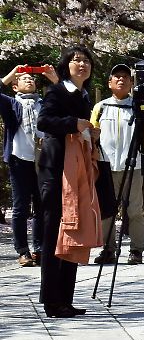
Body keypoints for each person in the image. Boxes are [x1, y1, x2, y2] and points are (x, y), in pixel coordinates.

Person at [37, 46, 99, 318]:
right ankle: (52, 299)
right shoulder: (57, 91)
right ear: (66, 66)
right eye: (76, 60)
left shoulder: (83, 95)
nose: (82, 64)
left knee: (73, 230)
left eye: (86, 60)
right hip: (57, 170)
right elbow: (44, 121)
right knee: (55, 232)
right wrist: (75, 123)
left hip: (77, 170)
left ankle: (66, 298)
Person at [91, 64, 144, 265]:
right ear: (109, 83)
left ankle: (136, 250)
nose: (121, 80)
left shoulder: (139, 107)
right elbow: (91, 134)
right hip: (105, 165)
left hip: (133, 166)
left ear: (131, 83)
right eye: (116, 76)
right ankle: (108, 249)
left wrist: (134, 150)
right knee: (107, 209)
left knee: (134, 209)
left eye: (125, 77)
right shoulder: (100, 107)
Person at [1, 64, 58, 266]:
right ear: (15, 87)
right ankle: (22, 250)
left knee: (42, 206)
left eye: (31, 79)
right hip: (19, 159)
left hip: (43, 160)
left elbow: (68, 99)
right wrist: (13, 73)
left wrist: (52, 77)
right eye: (24, 79)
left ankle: (40, 248)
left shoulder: (44, 103)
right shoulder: (11, 103)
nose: (29, 80)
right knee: (20, 207)